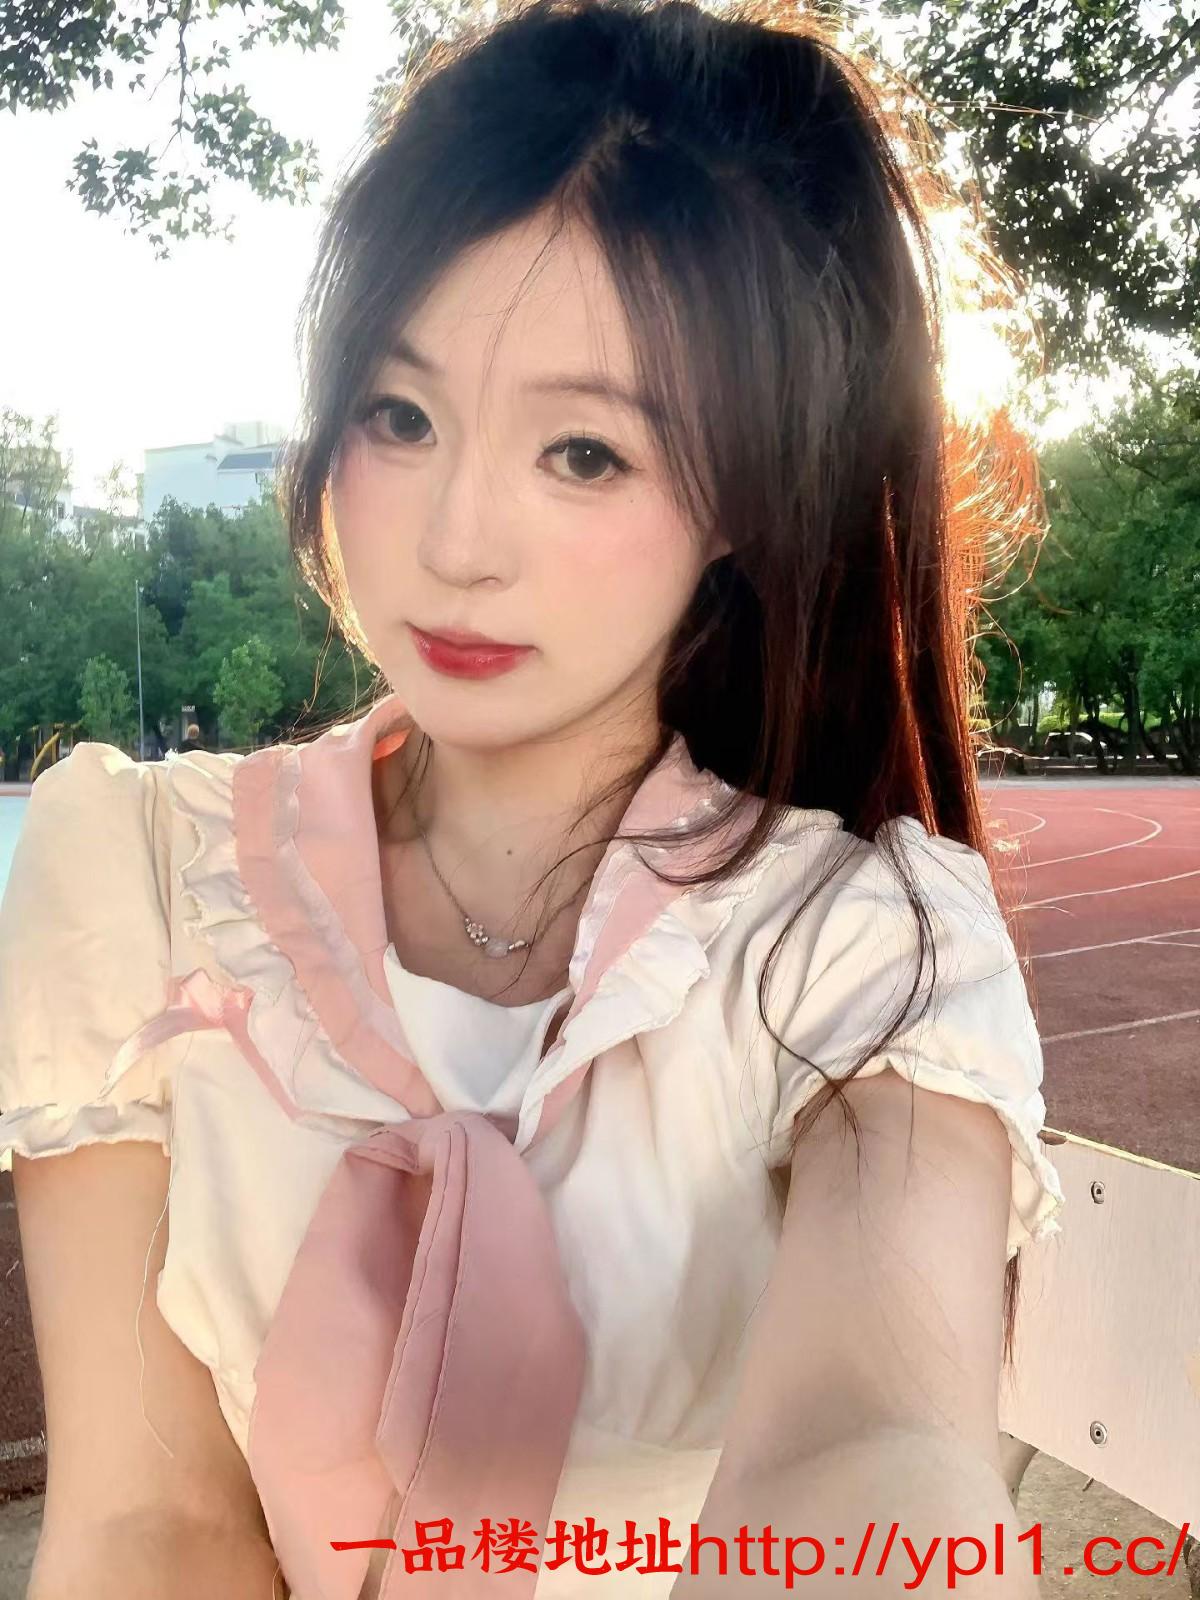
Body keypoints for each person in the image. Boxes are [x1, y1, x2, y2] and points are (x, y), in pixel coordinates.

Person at [0, 2, 1064, 1596]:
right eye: (402, 417)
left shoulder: (857, 949)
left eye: (584, 452)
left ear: (743, 495)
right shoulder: (142, 878)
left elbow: (873, 1449)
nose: (457, 541)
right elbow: (150, 1522)